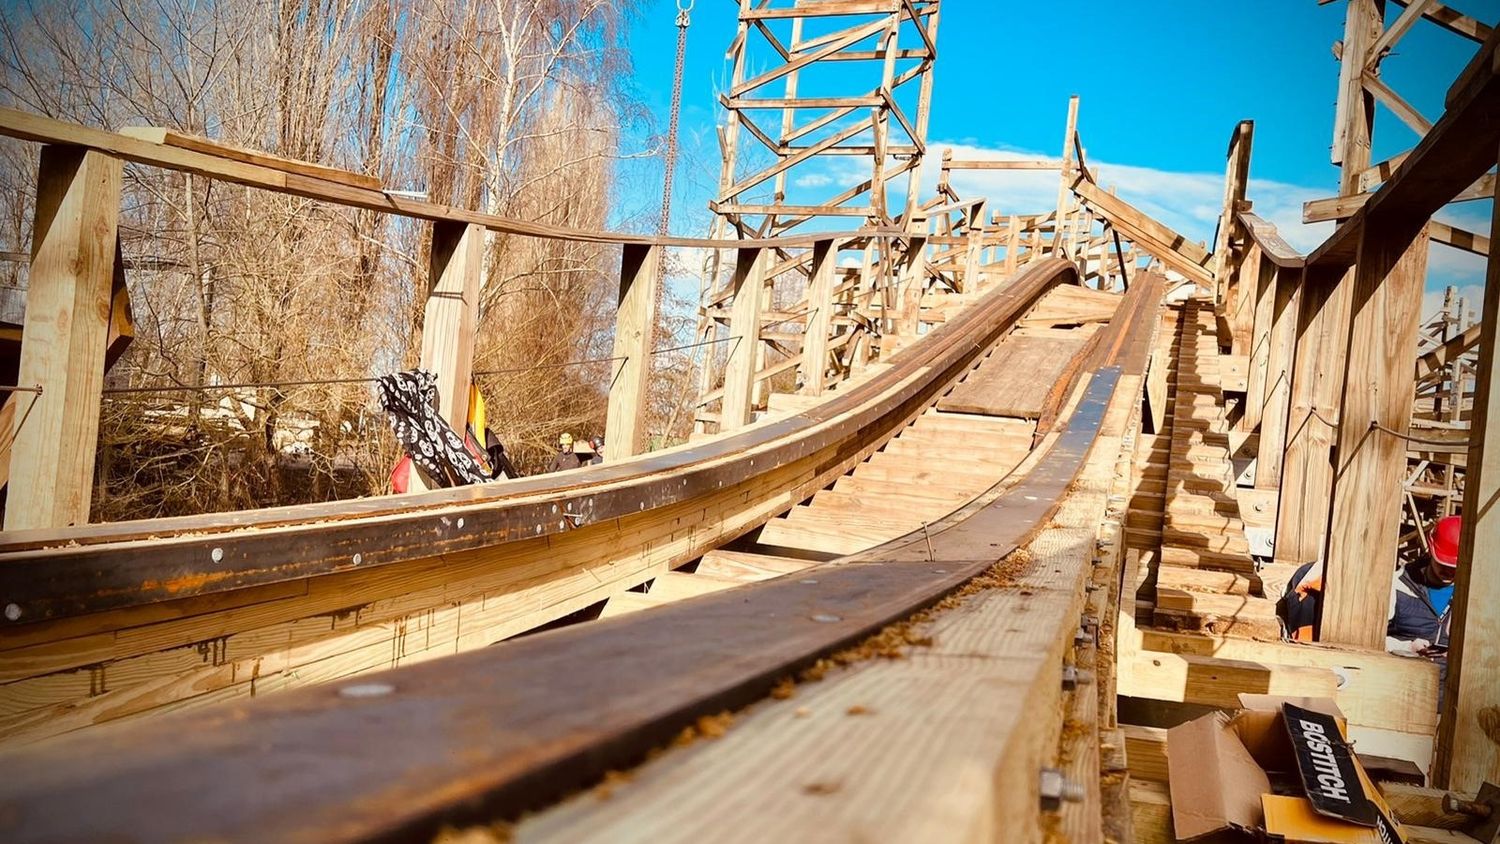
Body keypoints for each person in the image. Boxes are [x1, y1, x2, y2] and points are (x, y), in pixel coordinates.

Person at [1386, 515, 1459, 660]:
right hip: (1404, 671)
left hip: (1450, 674)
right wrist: (1407, 647)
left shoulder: (1473, 596)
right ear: (1431, 551)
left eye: (1455, 567)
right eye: (1443, 564)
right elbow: (1370, 639)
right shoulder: (1398, 585)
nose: (1449, 572)